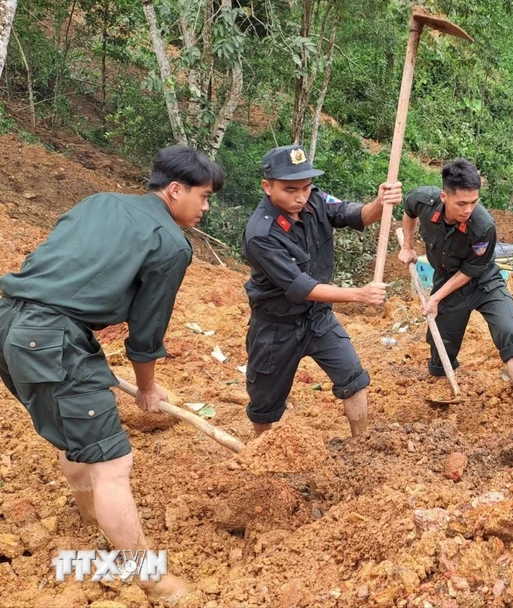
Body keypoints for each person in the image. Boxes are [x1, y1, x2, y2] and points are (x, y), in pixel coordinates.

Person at [0, 145, 223, 602]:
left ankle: (91, 516)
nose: (205, 208)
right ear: (175, 190)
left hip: (10, 323)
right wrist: (147, 388)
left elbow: (60, 266)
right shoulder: (171, 243)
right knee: (112, 464)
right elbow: (146, 333)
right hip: (53, 339)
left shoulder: (99, 202)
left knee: (77, 435)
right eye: (203, 197)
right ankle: (152, 580)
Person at [242, 145, 402, 438]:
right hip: (276, 327)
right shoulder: (261, 235)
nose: (301, 197)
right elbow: (302, 287)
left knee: (354, 378)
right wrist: (360, 295)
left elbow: (356, 215)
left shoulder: (314, 200)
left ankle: (359, 444)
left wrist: (380, 203)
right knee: (265, 404)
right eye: (291, 189)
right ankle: (262, 451)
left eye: (306, 187)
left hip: (318, 318)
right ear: (267, 186)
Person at [399, 158, 513, 414]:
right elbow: (408, 209)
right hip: (447, 279)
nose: (468, 209)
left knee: (510, 332)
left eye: (474, 202)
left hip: (484, 282)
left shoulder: (483, 226)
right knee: (442, 346)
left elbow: (471, 270)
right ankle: (442, 394)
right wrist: (408, 245)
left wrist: (436, 298)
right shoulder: (424, 201)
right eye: (461, 203)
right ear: (444, 196)